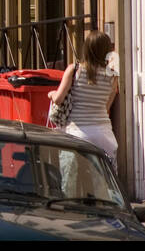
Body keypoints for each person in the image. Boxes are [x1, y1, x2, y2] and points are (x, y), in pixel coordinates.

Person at [49, 30, 119, 175]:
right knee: (103, 184)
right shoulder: (112, 76)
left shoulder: (75, 70)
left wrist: (51, 94)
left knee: (71, 183)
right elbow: (106, 107)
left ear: (86, 48)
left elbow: (58, 99)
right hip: (104, 135)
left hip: (77, 134)